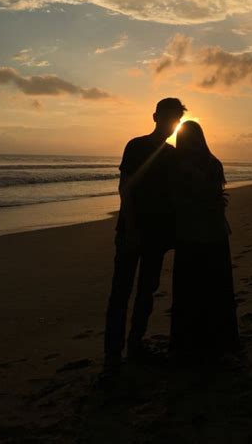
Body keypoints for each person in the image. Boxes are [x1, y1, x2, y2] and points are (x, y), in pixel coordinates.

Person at [102, 98, 187, 374]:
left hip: (159, 233)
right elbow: (125, 188)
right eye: (167, 119)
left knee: (146, 292)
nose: (171, 125)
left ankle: (135, 345)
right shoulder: (136, 146)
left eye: (176, 120)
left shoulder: (173, 154)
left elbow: (175, 196)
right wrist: (131, 227)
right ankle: (113, 354)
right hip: (131, 230)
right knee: (121, 292)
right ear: (155, 117)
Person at [169, 121, 240, 360]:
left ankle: (200, 343)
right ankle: (211, 341)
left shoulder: (196, 165)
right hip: (205, 233)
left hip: (201, 234)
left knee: (197, 290)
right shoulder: (203, 164)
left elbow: (208, 198)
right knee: (210, 289)